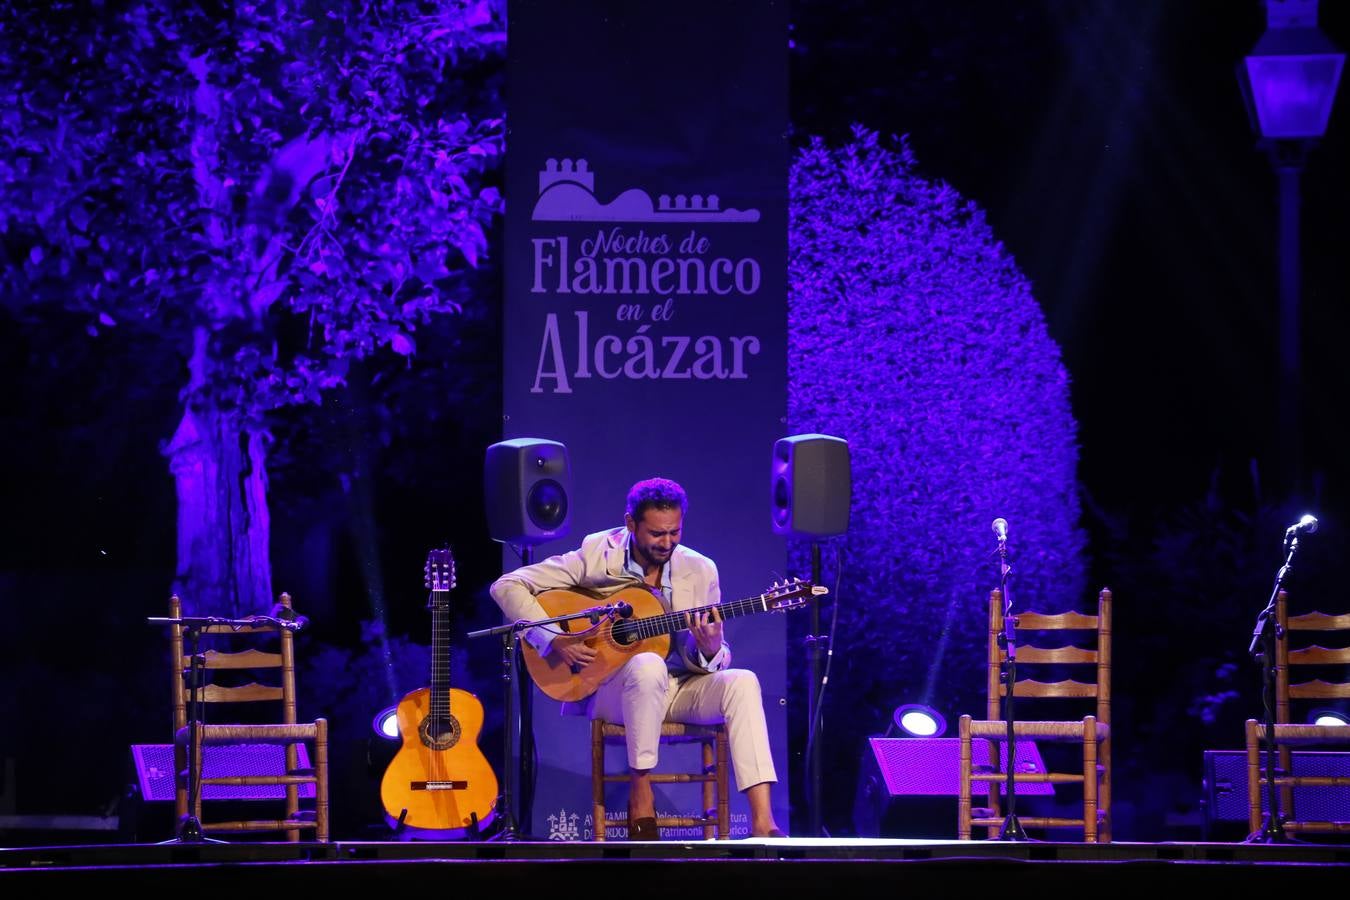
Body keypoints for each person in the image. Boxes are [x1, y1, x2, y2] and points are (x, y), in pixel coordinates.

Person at [490, 477, 785, 839]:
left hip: (680, 688)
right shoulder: (597, 553)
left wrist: (710, 648)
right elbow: (506, 585)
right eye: (657, 534)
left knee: (743, 681)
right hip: (619, 692)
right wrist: (553, 640)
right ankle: (640, 792)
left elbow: (710, 655)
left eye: (675, 532)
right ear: (631, 524)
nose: (667, 543)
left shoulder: (701, 569)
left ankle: (762, 824)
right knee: (647, 665)